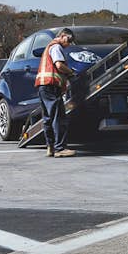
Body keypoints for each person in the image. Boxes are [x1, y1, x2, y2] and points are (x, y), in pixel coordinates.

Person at [34, 28, 77, 157]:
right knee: (59, 117)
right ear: (62, 35)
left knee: (48, 118)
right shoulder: (56, 47)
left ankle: (51, 147)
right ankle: (60, 148)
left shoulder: (49, 48)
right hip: (51, 86)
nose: (69, 44)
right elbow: (59, 65)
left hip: (43, 87)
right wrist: (70, 72)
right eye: (68, 40)